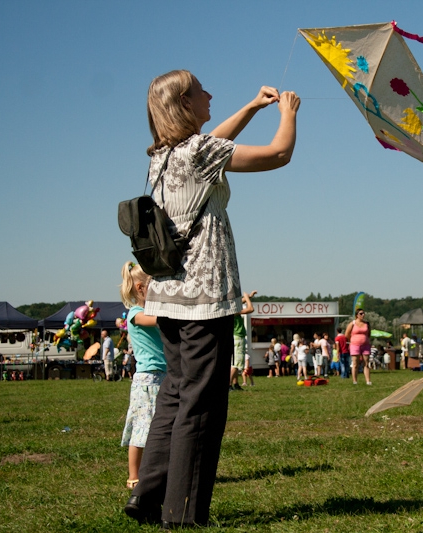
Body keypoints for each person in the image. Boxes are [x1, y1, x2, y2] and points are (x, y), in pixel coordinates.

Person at [124, 70, 300, 528]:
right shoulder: (199, 153)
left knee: (173, 397)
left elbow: (210, 141)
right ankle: (182, 513)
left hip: (165, 297)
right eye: (202, 90)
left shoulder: (162, 156)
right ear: (185, 102)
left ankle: (147, 497)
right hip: (204, 300)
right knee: (201, 406)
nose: (210, 95)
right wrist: (287, 113)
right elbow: (278, 154)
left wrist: (251, 107)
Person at [119, 261, 167, 491]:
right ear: (140, 288)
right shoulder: (136, 313)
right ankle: (133, 476)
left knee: (161, 425)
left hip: (162, 375)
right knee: (141, 428)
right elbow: (157, 320)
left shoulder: (150, 310)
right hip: (148, 379)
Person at [230, 291, 256, 391]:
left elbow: (241, 302)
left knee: (234, 364)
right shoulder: (234, 310)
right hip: (238, 337)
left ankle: (235, 384)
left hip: (234, 337)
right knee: (236, 364)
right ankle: (228, 385)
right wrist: (247, 297)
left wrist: (249, 296)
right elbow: (250, 309)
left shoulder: (229, 307)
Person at [345, 309, 372, 385]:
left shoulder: (367, 324)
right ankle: (355, 381)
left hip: (365, 345)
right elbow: (346, 334)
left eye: (363, 313)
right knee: (355, 363)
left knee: (366, 363)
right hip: (354, 345)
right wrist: (353, 339)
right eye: (361, 313)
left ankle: (368, 381)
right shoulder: (352, 323)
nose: (363, 315)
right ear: (357, 315)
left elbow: (369, 334)